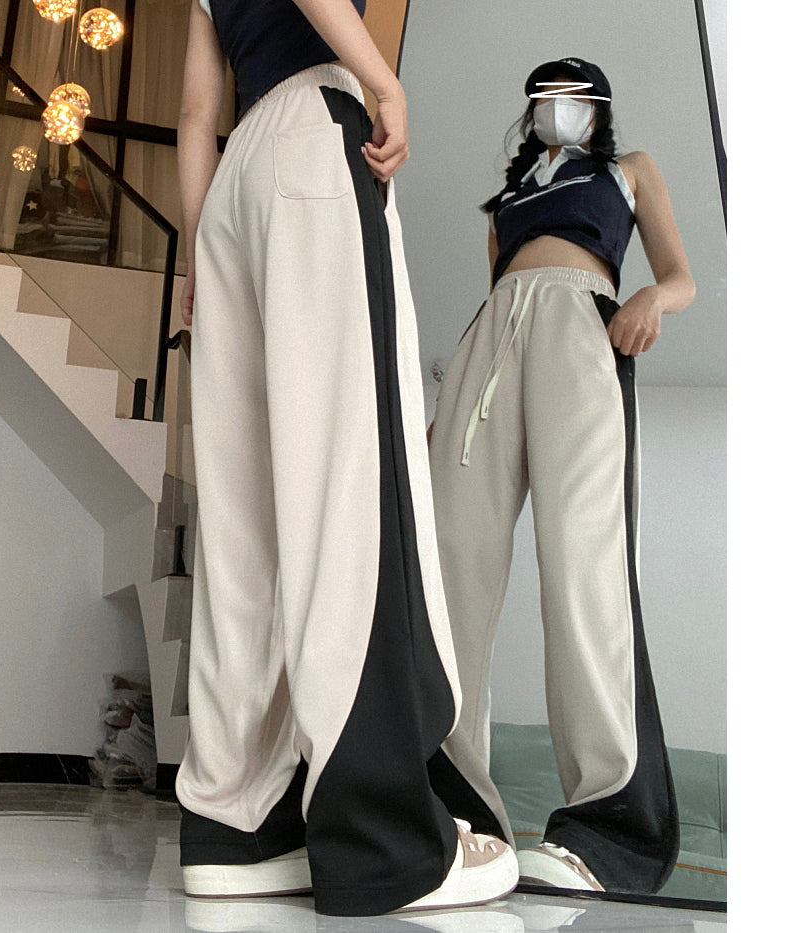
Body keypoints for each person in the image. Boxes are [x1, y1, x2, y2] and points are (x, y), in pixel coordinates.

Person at [173, 0, 518, 918]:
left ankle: (235, 822)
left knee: (245, 523)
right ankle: (383, 834)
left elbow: (196, 114)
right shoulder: (340, 96)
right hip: (314, 137)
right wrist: (382, 80)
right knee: (350, 481)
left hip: (233, 180)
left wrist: (200, 250)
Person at [426, 57, 695, 895]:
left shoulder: (630, 171)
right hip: (489, 341)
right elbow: (496, 293)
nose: (557, 108)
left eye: (573, 98)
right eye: (545, 99)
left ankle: (606, 826)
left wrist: (650, 298)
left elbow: (681, 277)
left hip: (583, 325)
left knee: (583, 563)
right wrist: (451, 395)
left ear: (598, 108)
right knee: (449, 562)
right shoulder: (504, 204)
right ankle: (452, 805)